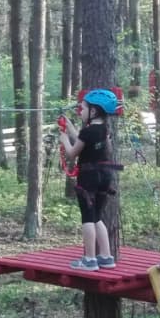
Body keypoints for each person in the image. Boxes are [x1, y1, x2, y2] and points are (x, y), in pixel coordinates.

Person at [58, 89, 120, 271]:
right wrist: (70, 126)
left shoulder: (87, 132)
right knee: (97, 217)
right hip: (105, 176)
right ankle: (106, 257)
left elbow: (72, 153)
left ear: (93, 111)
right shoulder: (104, 130)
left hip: (88, 178)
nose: (80, 111)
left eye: (83, 108)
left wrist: (64, 139)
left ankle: (90, 259)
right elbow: (84, 139)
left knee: (87, 218)